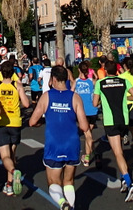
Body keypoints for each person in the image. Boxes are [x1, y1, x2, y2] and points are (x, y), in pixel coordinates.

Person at [29, 65, 90, 210]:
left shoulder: (46, 96)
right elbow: (84, 126)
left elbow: (32, 122)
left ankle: (62, 203)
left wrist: (46, 121)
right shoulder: (75, 97)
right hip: (72, 143)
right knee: (69, 181)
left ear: (53, 79)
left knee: (53, 182)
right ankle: (71, 206)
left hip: (54, 144)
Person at [93, 60, 133, 202]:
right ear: (117, 70)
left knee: (118, 152)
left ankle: (130, 183)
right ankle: (124, 178)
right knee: (120, 151)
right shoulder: (123, 81)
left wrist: (102, 100)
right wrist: (124, 99)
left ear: (105, 71)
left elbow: (95, 103)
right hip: (123, 120)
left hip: (110, 121)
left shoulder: (100, 83)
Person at [0, 62, 30, 197]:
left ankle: (14, 173)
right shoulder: (17, 85)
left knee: (5, 157)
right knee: (12, 155)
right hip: (15, 122)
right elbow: (26, 104)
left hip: (2, 122)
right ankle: (9, 184)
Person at [72, 61, 97, 167]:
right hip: (93, 111)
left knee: (88, 135)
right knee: (88, 134)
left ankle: (90, 156)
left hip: (82, 111)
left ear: (79, 70)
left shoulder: (76, 81)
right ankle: (88, 154)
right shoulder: (92, 81)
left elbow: (71, 93)